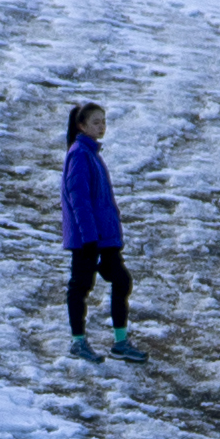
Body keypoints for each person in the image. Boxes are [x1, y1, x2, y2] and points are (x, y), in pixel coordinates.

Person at [60, 104, 140, 360]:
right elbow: (79, 200)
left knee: (121, 280)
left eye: (103, 122)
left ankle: (120, 342)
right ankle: (78, 342)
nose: (102, 126)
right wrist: (90, 238)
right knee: (81, 287)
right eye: (96, 122)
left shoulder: (91, 153)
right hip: (89, 239)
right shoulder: (80, 154)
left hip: (104, 238)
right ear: (81, 126)